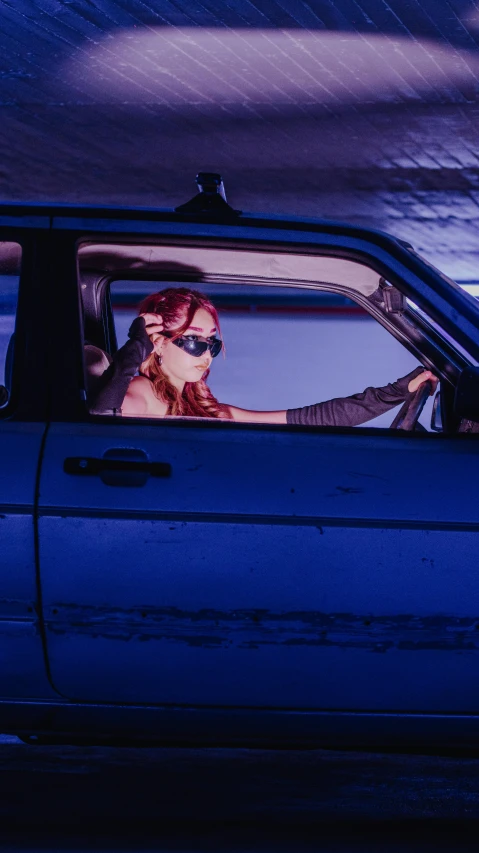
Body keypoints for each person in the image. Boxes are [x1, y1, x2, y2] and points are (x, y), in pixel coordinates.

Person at [89, 287, 437, 426]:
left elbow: (308, 419)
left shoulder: (205, 408)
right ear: (159, 343)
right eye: (194, 341)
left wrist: (396, 392)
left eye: (212, 342)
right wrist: (133, 351)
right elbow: (99, 420)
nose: (207, 354)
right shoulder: (143, 393)